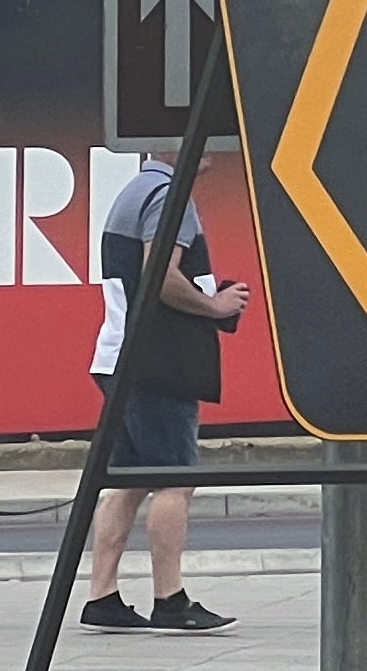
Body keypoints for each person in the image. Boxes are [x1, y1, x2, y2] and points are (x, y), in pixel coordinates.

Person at [82, 155, 248, 635]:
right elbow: (161, 275)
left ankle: (103, 596)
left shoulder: (135, 192)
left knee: (130, 480)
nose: (217, 142)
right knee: (175, 481)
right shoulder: (171, 196)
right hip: (156, 362)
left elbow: (139, 276)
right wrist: (214, 305)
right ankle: (170, 599)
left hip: (119, 356)